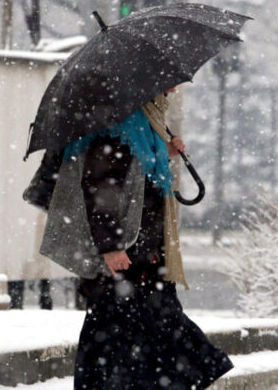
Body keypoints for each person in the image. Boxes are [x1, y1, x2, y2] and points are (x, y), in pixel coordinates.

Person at [33, 87, 234, 389]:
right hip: (126, 252)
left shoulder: (145, 125)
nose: (174, 88)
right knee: (128, 329)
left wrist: (165, 150)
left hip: (144, 253)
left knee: (130, 332)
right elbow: (99, 187)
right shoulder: (118, 126)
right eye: (168, 83)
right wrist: (111, 246)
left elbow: (138, 173)